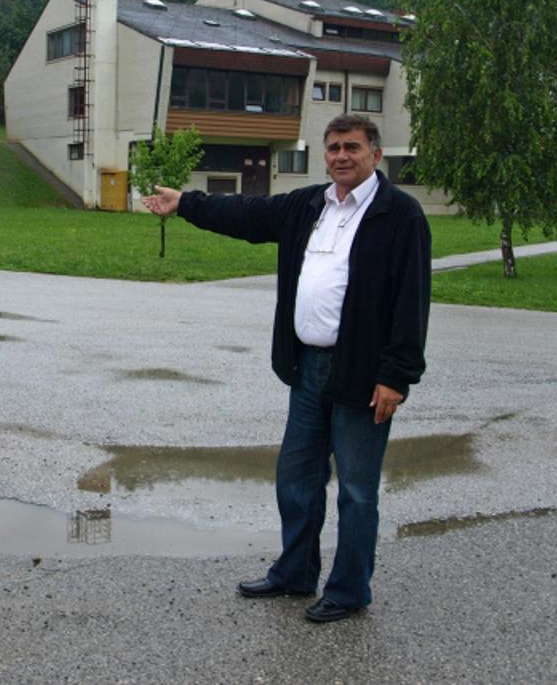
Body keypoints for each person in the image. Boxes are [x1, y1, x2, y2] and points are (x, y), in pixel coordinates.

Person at [142, 114, 431, 623]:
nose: (342, 156)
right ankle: (296, 572)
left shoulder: (400, 215)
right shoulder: (309, 205)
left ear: (376, 155)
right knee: (296, 480)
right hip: (307, 369)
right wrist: (185, 202)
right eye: (334, 148)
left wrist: (396, 377)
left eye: (353, 148)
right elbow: (248, 214)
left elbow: (412, 302)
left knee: (358, 491)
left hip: (364, 377)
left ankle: (348, 589)